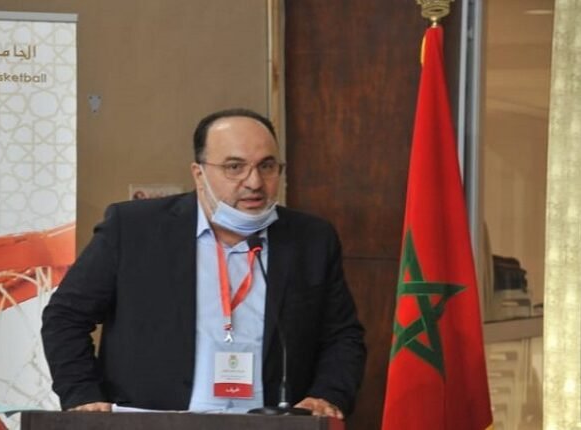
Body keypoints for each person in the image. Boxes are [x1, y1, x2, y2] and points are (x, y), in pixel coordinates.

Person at [41, 108, 366, 418]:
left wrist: (327, 395)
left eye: (267, 166)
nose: (254, 182)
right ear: (199, 174)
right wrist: (83, 395)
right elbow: (66, 317)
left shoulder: (310, 239)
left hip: (269, 423)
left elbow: (342, 336)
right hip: (155, 421)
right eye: (235, 167)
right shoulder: (134, 229)